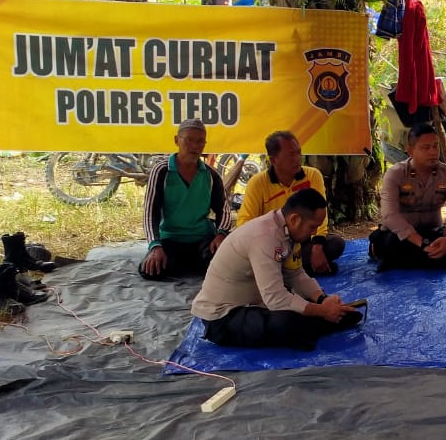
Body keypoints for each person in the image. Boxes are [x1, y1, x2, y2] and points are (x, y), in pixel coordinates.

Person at [192, 188, 362, 350]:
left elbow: (296, 274)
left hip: (255, 302)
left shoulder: (288, 232)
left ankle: (325, 320)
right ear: (295, 219)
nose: (315, 232)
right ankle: (323, 322)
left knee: (303, 306)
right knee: (287, 322)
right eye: (312, 227)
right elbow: (275, 298)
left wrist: (322, 299)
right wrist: (321, 311)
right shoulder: (264, 237)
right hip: (223, 318)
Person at [369, 123, 446, 273]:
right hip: (402, 236)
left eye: (435, 146)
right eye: (426, 147)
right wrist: (421, 244)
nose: (433, 152)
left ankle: (404, 262)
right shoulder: (395, 174)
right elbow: (390, 216)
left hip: (432, 233)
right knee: (390, 245)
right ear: (410, 151)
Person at [234, 130, 346, 275]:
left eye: (299, 153)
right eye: (291, 155)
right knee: (266, 257)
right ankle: (299, 269)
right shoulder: (258, 183)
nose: (297, 159)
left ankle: (286, 270)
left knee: (336, 244)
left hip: (303, 241)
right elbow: (244, 223)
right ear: (274, 160)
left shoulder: (313, 175)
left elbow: (320, 215)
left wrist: (317, 246)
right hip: (272, 245)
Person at [140, 119, 234, 280]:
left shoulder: (211, 175)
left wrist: (221, 234)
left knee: (228, 267)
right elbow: (150, 213)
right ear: (177, 140)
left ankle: (189, 264)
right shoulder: (162, 171)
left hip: (202, 239)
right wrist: (155, 246)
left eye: (200, 142)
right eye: (189, 140)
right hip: (170, 238)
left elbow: (224, 210)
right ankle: (185, 263)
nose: (195, 146)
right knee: (152, 270)